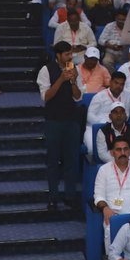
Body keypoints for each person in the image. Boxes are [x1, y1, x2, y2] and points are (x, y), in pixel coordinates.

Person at [38, 41, 83, 211]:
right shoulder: (46, 70)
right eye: (67, 54)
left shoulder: (74, 69)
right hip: (53, 121)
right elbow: (46, 96)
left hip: (71, 120)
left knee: (71, 159)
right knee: (53, 160)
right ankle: (53, 197)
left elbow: (78, 97)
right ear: (58, 55)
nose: (70, 57)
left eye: (71, 53)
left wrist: (73, 81)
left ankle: (70, 196)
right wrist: (61, 79)